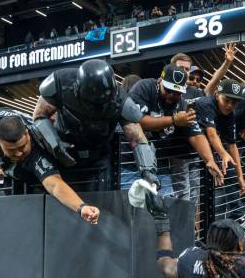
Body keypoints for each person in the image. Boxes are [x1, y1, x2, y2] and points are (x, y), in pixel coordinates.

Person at [33, 59, 159, 193]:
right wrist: (55, 144)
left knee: (99, 205)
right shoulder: (61, 82)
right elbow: (39, 116)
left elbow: (137, 138)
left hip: (98, 160)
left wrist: (148, 172)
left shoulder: (120, 100)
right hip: (65, 154)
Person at [0, 110, 101, 224]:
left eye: (22, 146)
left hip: (32, 178)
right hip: (7, 173)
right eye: (12, 150)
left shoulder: (38, 145)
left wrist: (82, 207)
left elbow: (55, 184)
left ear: (27, 134)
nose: (19, 153)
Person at [128, 64, 227, 200]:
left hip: (159, 166)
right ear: (160, 81)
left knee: (157, 207)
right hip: (130, 163)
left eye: (177, 93)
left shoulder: (181, 103)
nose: (171, 95)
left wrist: (209, 160)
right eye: (168, 90)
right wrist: (173, 120)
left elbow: (195, 133)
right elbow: (137, 120)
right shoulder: (144, 88)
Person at [194, 80, 245, 236]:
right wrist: (223, 153)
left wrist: (241, 176)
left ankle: (233, 218)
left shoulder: (230, 114)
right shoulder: (205, 104)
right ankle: (198, 232)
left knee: (227, 177)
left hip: (206, 150)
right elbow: (212, 134)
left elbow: (232, 145)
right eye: (226, 100)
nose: (229, 106)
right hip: (188, 149)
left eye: (234, 103)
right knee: (194, 194)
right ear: (216, 95)